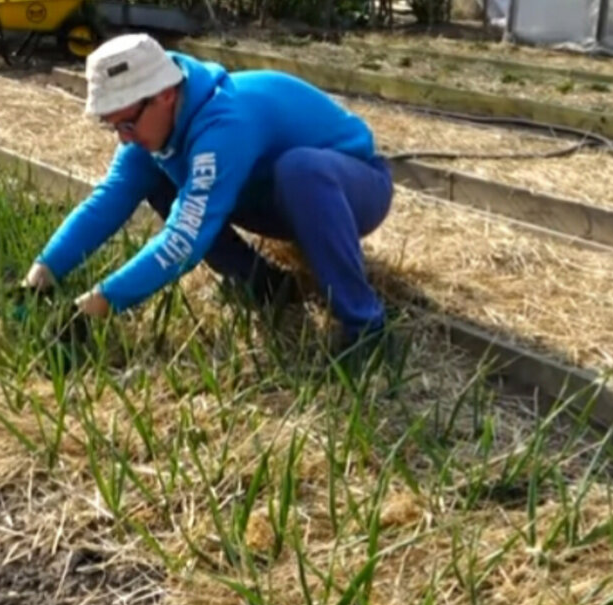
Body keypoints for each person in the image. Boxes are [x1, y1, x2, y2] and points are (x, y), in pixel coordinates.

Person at [22, 32, 395, 362]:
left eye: (127, 124)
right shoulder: (153, 128)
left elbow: (184, 239)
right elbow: (107, 202)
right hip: (272, 198)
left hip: (352, 188)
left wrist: (97, 305)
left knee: (298, 170)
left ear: (165, 95)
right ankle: (263, 284)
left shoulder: (224, 124)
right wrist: (41, 275)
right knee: (161, 178)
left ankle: (364, 325)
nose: (123, 137)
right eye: (112, 126)